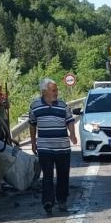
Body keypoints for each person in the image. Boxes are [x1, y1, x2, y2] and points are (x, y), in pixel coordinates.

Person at [29, 78, 78, 214]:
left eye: (56, 90)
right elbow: (32, 124)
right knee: (47, 176)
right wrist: (33, 142)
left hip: (62, 147)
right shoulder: (35, 106)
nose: (56, 92)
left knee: (63, 175)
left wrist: (72, 134)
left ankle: (62, 200)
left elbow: (70, 121)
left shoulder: (62, 105)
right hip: (45, 148)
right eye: (53, 90)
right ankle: (48, 202)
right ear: (45, 91)